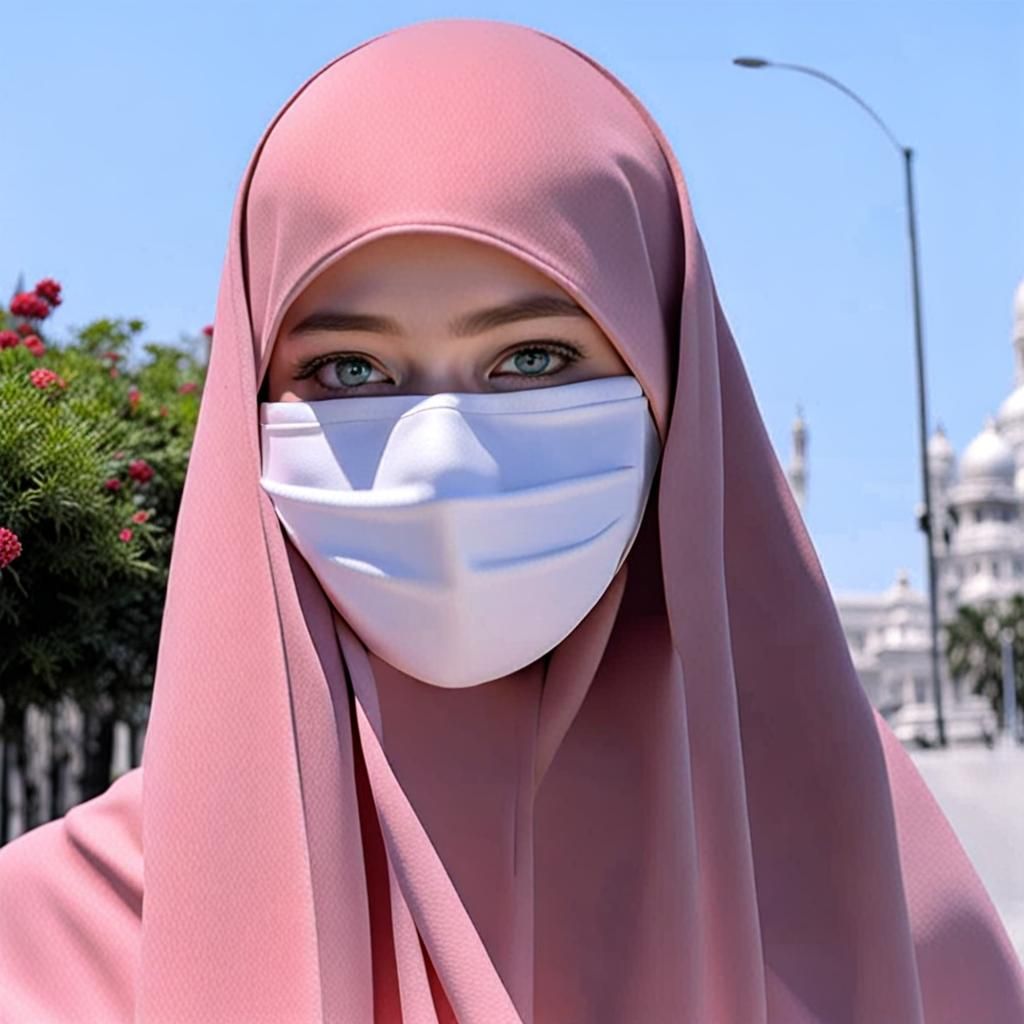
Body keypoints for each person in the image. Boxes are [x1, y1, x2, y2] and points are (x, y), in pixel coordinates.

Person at [1, 17, 1021, 1023]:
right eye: (349, 369)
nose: (441, 456)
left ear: (672, 382)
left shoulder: (881, 910)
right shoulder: (54, 948)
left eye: (532, 358)